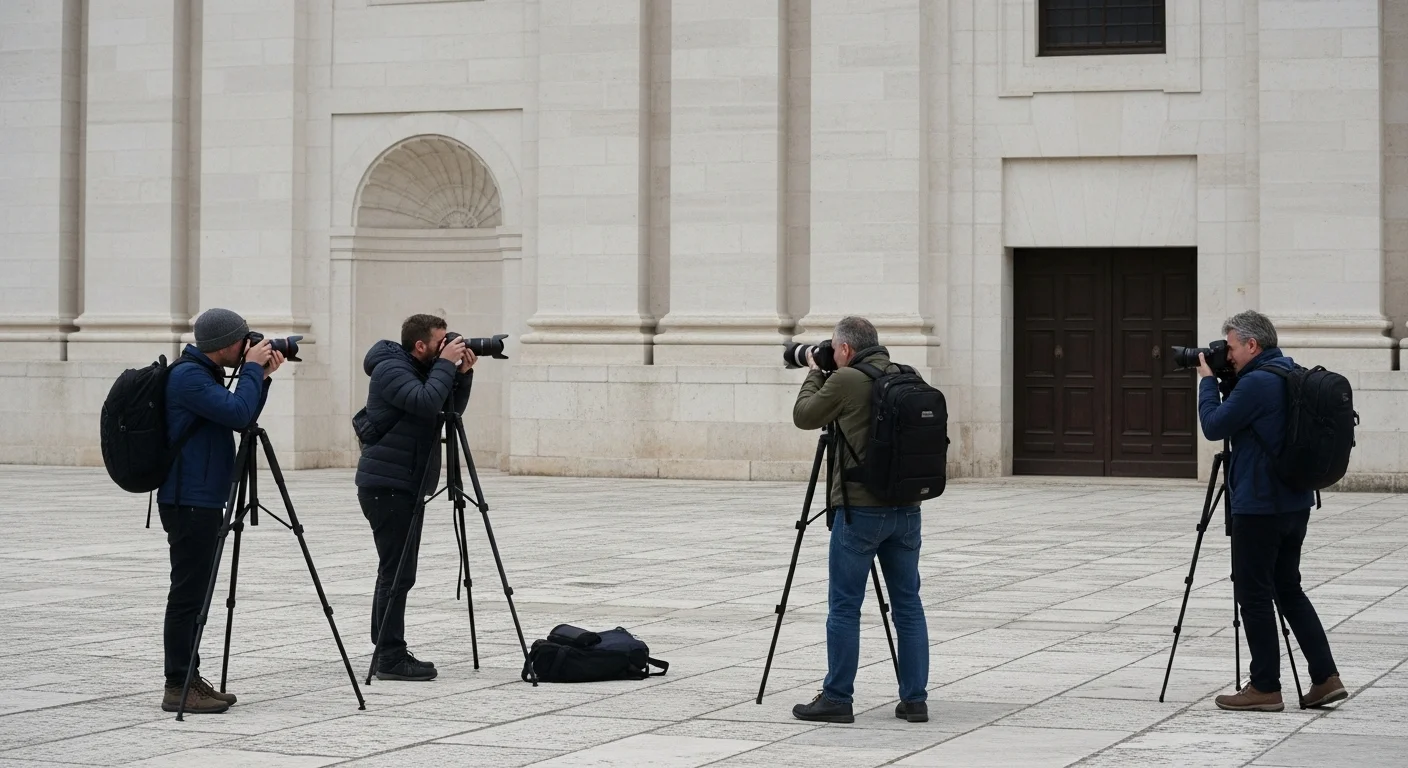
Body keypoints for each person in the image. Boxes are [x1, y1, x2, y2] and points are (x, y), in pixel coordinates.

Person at [1197, 310, 1347, 712]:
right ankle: (1325, 677)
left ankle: (1264, 687)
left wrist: (1208, 383)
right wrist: (1228, 379)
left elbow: (1214, 426)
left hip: (1259, 506)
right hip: (1295, 503)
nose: (1225, 355)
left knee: (1255, 594)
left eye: (1230, 347)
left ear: (1252, 345)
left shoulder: (1257, 384)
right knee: (1288, 589)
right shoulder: (1288, 373)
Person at [789, 316, 930, 724]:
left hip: (861, 512)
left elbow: (804, 415)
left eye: (833, 348)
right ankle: (915, 699)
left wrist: (815, 373)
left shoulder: (847, 380)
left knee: (845, 606)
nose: (830, 353)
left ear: (847, 350)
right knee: (908, 604)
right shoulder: (908, 375)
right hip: (907, 510)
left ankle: (837, 697)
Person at [157, 308, 283, 714]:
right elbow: (237, 413)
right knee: (188, 595)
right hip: (189, 500)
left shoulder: (203, 374)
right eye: (243, 340)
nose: (249, 345)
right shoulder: (188, 377)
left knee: (195, 594)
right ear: (226, 344)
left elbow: (241, 417)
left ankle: (190, 676)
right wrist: (251, 371)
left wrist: (259, 378)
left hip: (202, 496)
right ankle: (177, 685)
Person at [357, 314, 475, 681]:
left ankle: (386, 650)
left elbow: (446, 410)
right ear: (420, 345)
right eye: (440, 342)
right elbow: (425, 403)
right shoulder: (390, 370)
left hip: (404, 482)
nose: (446, 347)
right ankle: (390, 656)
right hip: (387, 485)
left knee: (397, 572)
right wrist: (444, 365)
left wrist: (462, 375)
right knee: (396, 573)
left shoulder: (420, 368)